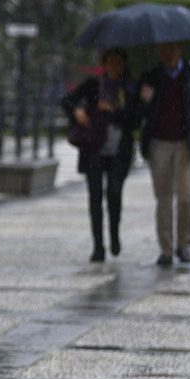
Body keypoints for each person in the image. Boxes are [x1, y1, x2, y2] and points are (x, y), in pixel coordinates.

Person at [138, 42, 190, 267]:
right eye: (164, 48)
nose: (168, 52)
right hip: (159, 143)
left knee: (186, 195)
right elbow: (138, 114)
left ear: (180, 49)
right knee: (163, 198)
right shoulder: (151, 76)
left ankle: (184, 243)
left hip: (186, 143)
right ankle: (165, 248)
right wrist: (144, 100)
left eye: (172, 48)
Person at [61, 49, 140, 263]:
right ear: (103, 64)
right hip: (93, 149)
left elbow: (135, 120)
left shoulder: (130, 87)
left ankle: (114, 233)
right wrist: (77, 111)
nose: (114, 67)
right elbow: (67, 101)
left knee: (114, 195)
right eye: (110, 62)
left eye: (118, 62)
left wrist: (113, 110)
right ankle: (98, 245)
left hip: (119, 150)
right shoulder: (93, 85)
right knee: (95, 197)